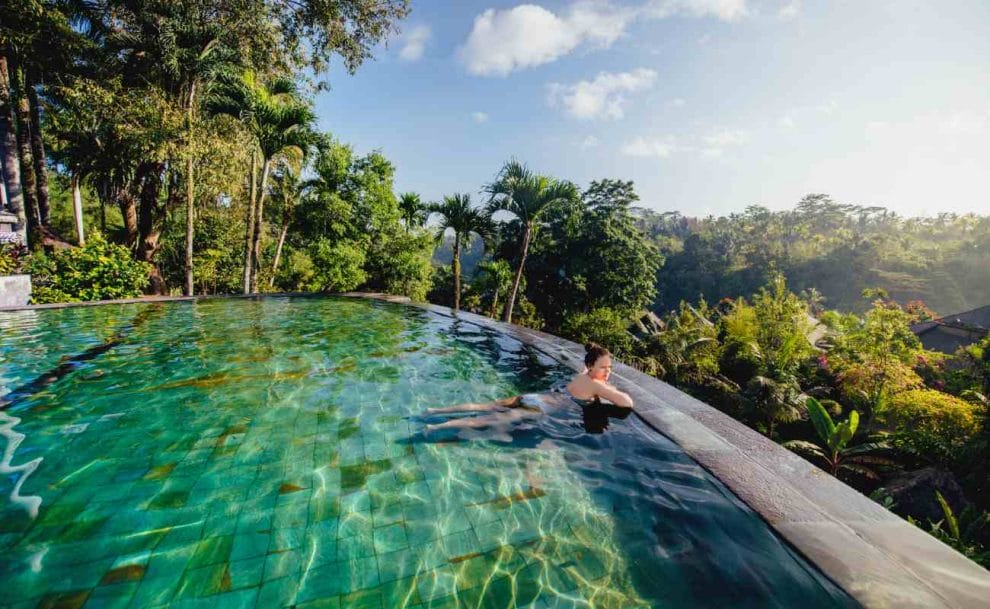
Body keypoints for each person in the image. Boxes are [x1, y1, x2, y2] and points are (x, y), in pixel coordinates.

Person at [424, 342, 633, 433]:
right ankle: (437, 427)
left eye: (610, 368)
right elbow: (626, 403)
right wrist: (611, 389)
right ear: (590, 365)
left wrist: (599, 374)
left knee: (486, 406)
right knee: (485, 420)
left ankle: (435, 411)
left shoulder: (583, 374)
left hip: (535, 396)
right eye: (603, 367)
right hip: (539, 408)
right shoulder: (597, 385)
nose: (608, 372)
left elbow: (585, 373)